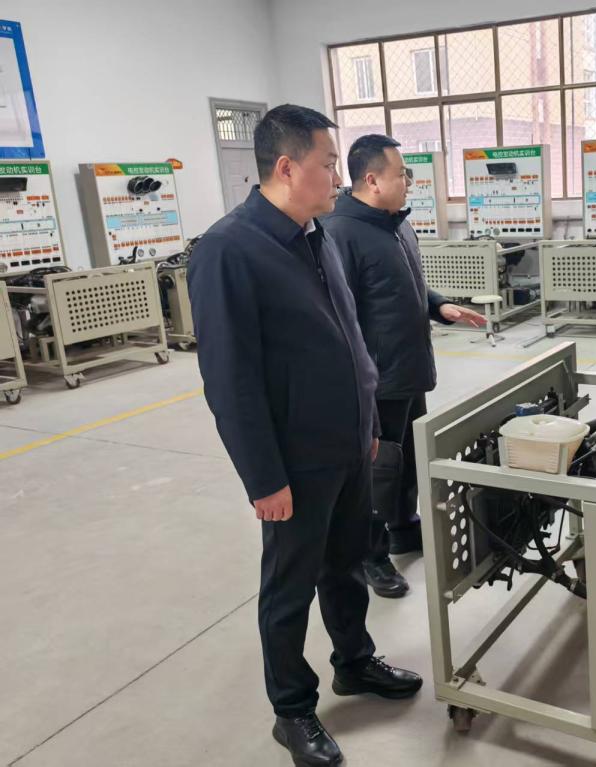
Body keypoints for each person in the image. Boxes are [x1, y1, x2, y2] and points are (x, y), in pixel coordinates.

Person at [188, 106, 422, 767]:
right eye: (328, 163)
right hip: (293, 461)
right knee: (290, 587)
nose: (338, 177)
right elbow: (230, 382)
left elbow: (351, 339)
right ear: (288, 168)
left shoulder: (315, 235)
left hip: (347, 445)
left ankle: (355, 661)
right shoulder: (229, 250)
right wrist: (264, 478)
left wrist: (367, 425)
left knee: (346, 564)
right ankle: (292, 709)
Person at [322, 134, 485, 599]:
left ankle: (402, 526)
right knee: (378, 471)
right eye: (402, 174)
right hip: (377, 380)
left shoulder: (397, 225)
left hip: (409, 369)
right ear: (372, 180)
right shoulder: (340, 233)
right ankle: (370, 554)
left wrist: (440, 306)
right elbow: (340, 316)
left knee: (408, 460)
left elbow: (404, 285)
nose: (409, 182)